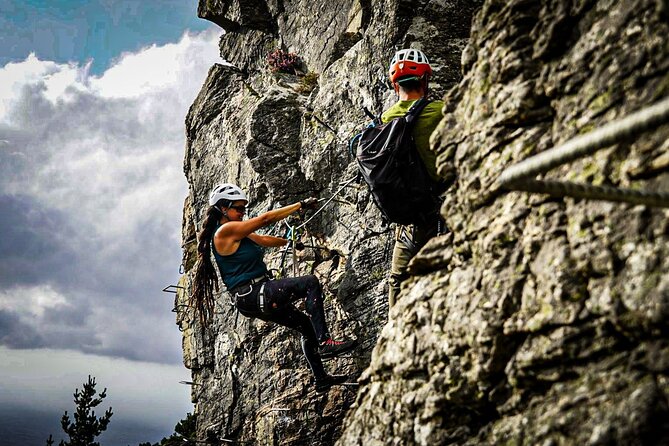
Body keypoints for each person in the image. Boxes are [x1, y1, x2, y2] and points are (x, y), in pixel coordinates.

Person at [190, 183, 358, 393]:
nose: (242, 213)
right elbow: (265, 219)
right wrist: (301, 205)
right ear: (223, 208)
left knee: (305, 325)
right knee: (310, 283)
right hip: (254, 292)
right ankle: (324, 342)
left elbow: (261, 239)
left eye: (244, 209)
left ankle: (321, 379)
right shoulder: (225, 230)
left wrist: (287, 242)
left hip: (252, 298)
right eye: (238, 208)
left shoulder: (237, 231)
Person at [383, 48, 445, 306]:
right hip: (443, 207)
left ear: (394, 84)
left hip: (409, 218)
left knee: (397, 280)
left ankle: (393, 337)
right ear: (425, 80)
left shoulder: (386, 119)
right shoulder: (441, 111)